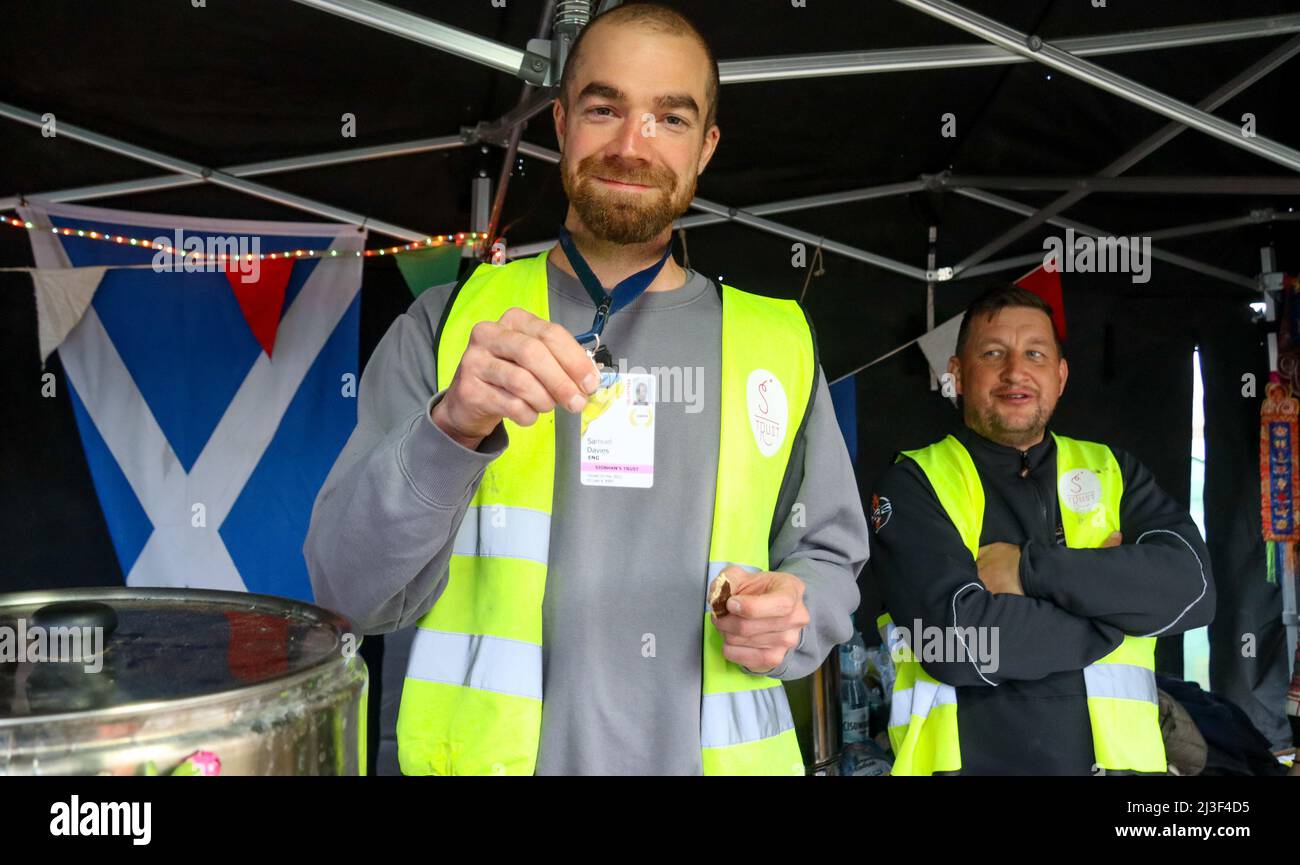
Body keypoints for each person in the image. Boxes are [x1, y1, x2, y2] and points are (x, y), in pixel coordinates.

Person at [304, 2, 866, 776]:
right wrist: (452, 425)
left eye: (670, 118)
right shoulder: (446, 328)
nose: (633, 144)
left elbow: (828, 560)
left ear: (705, 148)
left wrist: (795, 615)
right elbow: (347, 593)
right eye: (606, 108)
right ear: (562, 122)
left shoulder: (780, 343)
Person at [869, 283, 1214, 775]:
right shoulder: (914, 482)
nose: (1016, 372)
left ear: (1060, 375)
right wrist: (1115, 608)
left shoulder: (1113, 470)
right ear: (958, 374)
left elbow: (1192, 590)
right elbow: (959, 645)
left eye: (1035, 353)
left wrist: (1029, 572)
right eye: (993, 353)